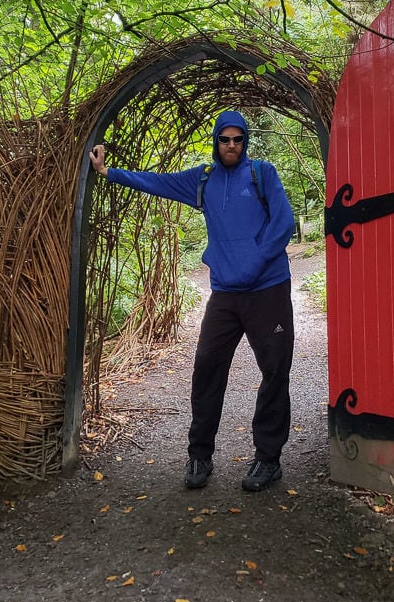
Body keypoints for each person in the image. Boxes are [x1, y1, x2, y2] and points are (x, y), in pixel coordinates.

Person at [88, 110, 296, 491]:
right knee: (206, 369)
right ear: (216, 141)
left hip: (268, 290)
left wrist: (253, 261)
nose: (231, 145)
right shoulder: (203, 180)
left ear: (244, 141)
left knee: (274, 370)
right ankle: (199, 454)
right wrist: (108, 172)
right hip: (226, 295)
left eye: (237, 139)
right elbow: (158, 182)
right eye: (224, 139)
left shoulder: (261, 174)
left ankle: (268, 459)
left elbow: (284, 223)